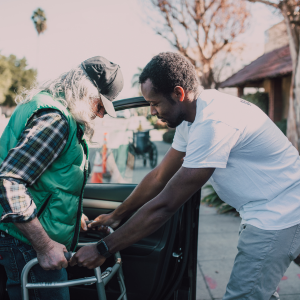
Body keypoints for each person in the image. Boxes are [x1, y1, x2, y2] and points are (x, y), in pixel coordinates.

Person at [70, 52, 300, 300]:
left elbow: (166, 204)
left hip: (278, 214)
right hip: (281, 207)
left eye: (156, 103)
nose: (152, 111)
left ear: (179, 94)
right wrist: (116, 216)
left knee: (245, 295)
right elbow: (159, 177)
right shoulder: (193, 117)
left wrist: (104, 248)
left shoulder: (214, 122)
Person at [0, 56, 123, 300]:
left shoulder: (51, 109)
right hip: (27, 244)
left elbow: (48, 181)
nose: (100, 115)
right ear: (84, 91)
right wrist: (44, 246)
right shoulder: (55, 120)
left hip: (27, 237)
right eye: (100, 106)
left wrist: (72, 215)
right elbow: (10, 182)